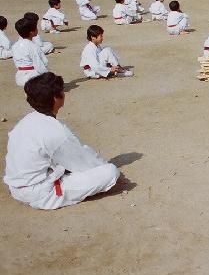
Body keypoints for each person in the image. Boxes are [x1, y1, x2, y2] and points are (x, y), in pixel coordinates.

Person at [4, 72, 121, 210]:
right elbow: (85, 163)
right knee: (110, 172)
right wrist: (103, 168)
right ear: (55, 99)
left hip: (17, 186)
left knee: (64, 160)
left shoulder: (27, 120)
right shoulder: (55, 132)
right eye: (61, 91)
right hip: (40, 193)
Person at [12, 16, 49, 86]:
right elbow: (41, 65)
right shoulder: (34, 46)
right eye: (36, 28)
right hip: (32, 77)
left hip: (19, 77)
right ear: (32, 32)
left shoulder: (14, 46)